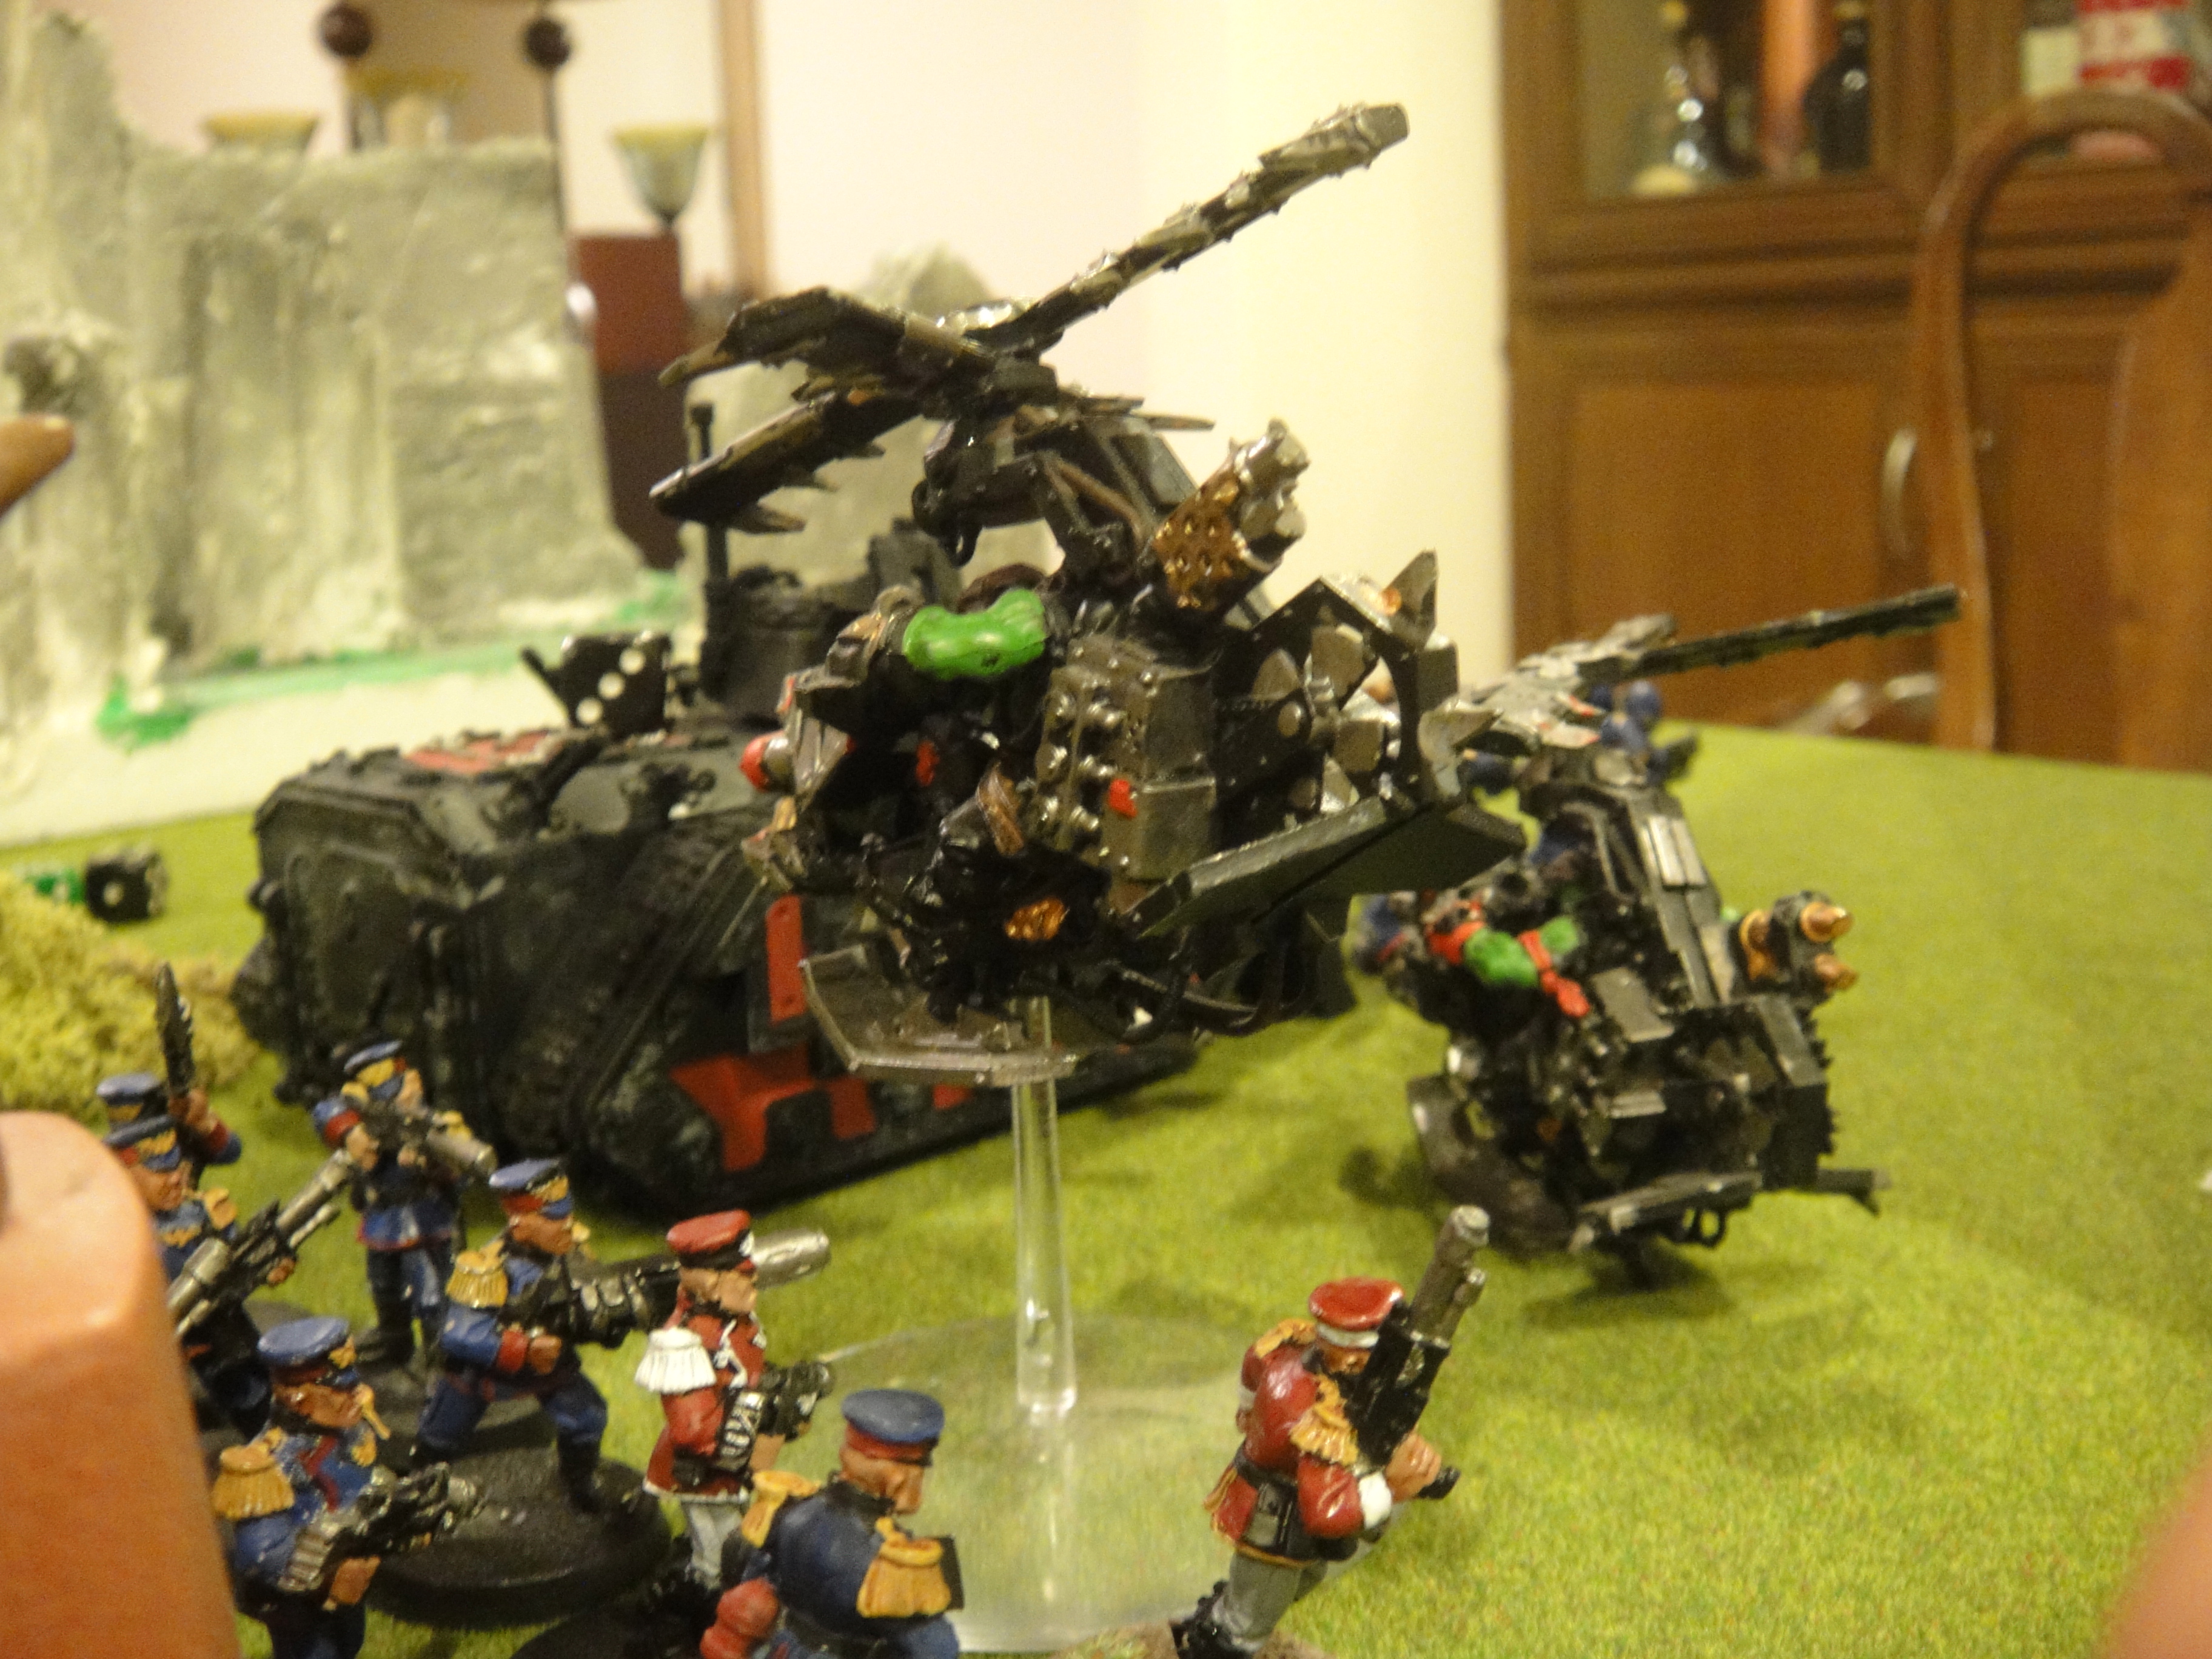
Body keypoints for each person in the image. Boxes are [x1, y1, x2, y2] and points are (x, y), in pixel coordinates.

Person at [1174, 1278, 1446, 1659]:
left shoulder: (1288, 1349)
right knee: (1249, 1623)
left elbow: (1254, 1363)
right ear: (1352, 1360)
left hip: (1288, 1511)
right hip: (1280, 1520)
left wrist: (1249, 1408)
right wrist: (1389, 1489)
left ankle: (1218, 1617)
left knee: (1296, 1582)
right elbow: (1326, 1513)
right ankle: (1212, 1643)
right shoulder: (1324, 1419)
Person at [635, 1209, 816, 1612]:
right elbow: (694, 1431)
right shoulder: (682, 1343)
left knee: (737, 1540)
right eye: (743, 1274)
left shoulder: (737, 1321)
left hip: (732, 1465)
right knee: (721, 1556)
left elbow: (747, 1377)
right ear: (713, 1284)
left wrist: (782, 1398)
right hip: (703, 1472)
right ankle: (712, 1613)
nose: (754, 1280)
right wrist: (759, 1413)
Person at [412, 1158, 618, 1510]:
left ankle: (580, 1484)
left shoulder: (573, 1253)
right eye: (553, 1219)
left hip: (549, 1366)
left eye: (567, 1215)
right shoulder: (487, 1268)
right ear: (520, 1225)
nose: (567, 1225)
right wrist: (524, 1349)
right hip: (481, 1373)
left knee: (587, 1417)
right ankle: (421, 1494)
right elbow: (459, 1335)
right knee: (440, 1436)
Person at [699, 1388, 960, 1659]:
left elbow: (749, 1573)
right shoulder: (893, 1560)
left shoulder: (788, 1507)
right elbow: (935, 1648)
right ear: (899, 1477)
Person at [104, 1107, 291, 1434]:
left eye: (176, 1166)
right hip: (157, 1338)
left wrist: (268, 1266)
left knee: (253, 1388)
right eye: (161, 1172)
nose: (176, 1178)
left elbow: (239, 1255)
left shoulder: (204, 1211)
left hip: (219, 1327)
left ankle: (268, 1436)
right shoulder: (120, 1232)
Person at [210, 1317, 389, 1659]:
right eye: (340, 1392)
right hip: (299, 1601)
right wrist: (329, 1576)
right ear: (299, 1399)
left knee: (349, 1643)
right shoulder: (265, 1466)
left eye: (354, 1385)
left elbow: (359, 1485)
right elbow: (260, 1555)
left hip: (351, 1575)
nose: (358, 1397)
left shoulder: (348, 1430)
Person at [310, 1041, 469, 1366]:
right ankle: (393, 1340)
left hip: (424, 1220)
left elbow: (462, 1172)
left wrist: (430, 1163)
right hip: (382, 1218)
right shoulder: (363, 1114)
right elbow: (326, 1110)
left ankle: (442, 1356)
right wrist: (350, 1133)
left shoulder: (438, 1124)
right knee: (384, 1285)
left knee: (430, 1295)